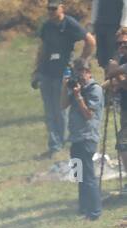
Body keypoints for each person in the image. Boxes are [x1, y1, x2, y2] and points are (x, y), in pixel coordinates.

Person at [33, 3, 96, 156]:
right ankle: (54, 144)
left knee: (60, 108)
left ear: (62, 8)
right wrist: (36, 70)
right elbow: (42, 48)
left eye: (54, 8)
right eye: (49, 8)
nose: (51, 11)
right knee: (49, 110)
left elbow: (90, 41)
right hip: (46, 71)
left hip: (63, 71)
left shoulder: (70, 24)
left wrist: (81, 61)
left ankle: (61, 143)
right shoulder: (47, 26)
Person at [64, 58, 106, 219]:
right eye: (77, 73)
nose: (79, 77)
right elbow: (62, 105)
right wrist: (66, 86)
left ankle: (95, 212)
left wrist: (79, 96)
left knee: (88, 176)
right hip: (75, 137)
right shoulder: (77, 87)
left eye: (81, 73)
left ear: (88, 72)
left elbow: (88, 114)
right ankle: (84, 208)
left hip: (87, 137)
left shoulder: (94, 89)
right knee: (79, 175)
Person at [90, 0, 127, 70]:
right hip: (100, 24)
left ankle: (114, 74)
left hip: (115, 26)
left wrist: (123, 25)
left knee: (112, 53)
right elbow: (95, 3)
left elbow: (126, 5)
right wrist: (93, 22)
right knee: (101, 53)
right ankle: (105, 73)